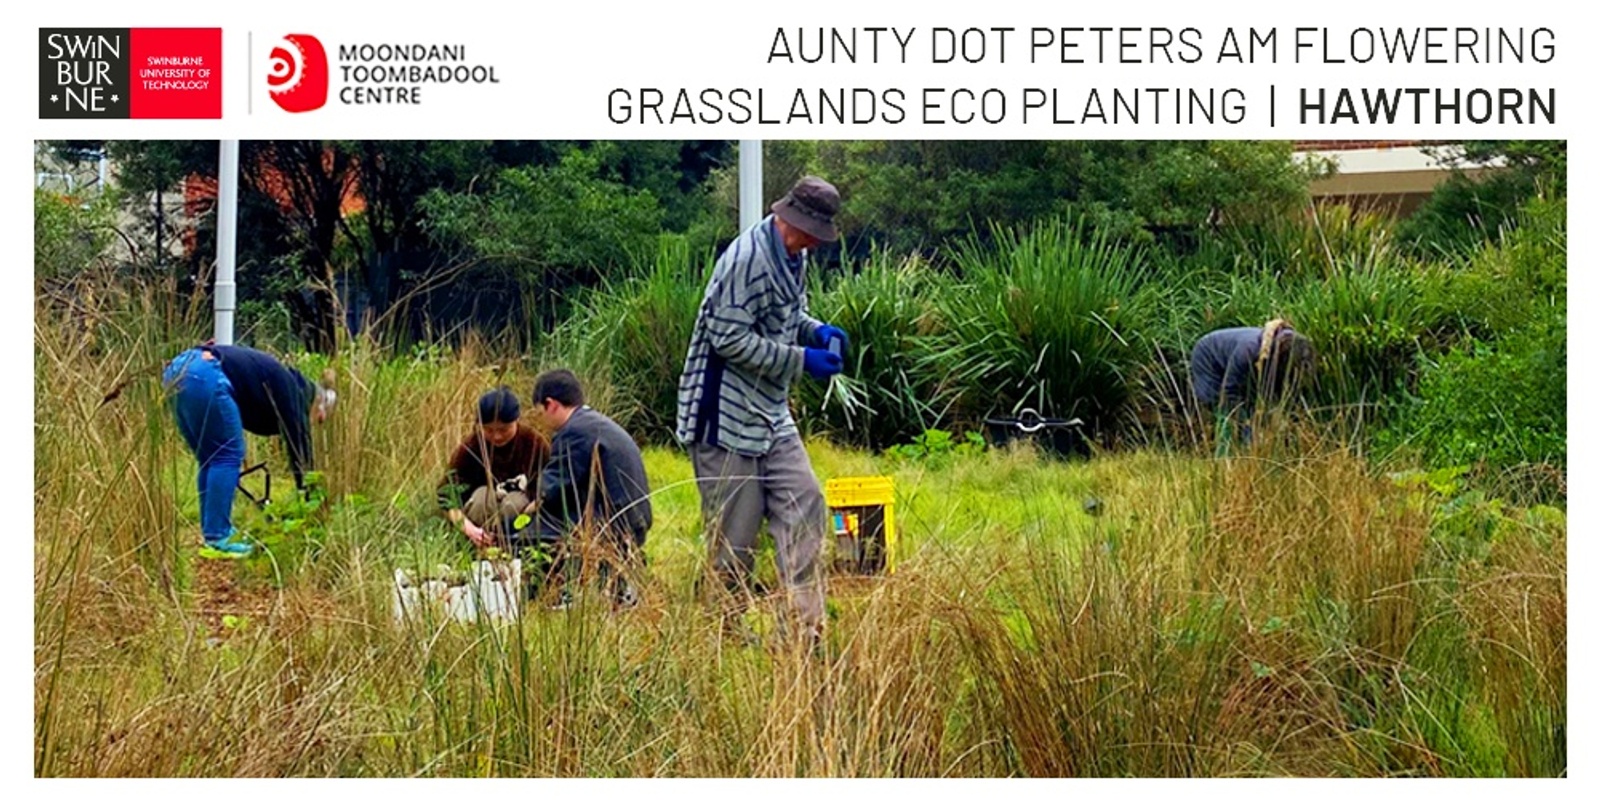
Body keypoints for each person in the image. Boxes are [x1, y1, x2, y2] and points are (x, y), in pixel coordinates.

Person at [673, 175, 849, 650]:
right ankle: (722, 639)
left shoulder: (798, 254)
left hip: (770, 411)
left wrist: (815, 332)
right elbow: (727, 339)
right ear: (789, 218)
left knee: (806, 499)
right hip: (723, 416)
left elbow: (792, 314)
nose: (814, 239)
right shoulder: (745, 259)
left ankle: (805, 632)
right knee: (736, 537)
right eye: (810, 229)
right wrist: (800, 360)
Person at [161, 343, 336, 558]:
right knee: (226, 456)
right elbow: (300, 449)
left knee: (210, 458)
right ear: (317, 404)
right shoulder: (293, 392)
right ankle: (219, 535)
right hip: (206, 373)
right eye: (320, 418)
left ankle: (213, 533)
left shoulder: (280, 379)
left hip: (178, 369)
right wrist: (311, 498)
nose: (318, 422)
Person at [520, 369, 653, 609]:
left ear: (550, 404)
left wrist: (520, 512)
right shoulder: (594, 423)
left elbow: (551, 488)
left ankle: (545, 594)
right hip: (634, 520)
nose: (542, 421)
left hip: (613, 527)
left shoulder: (574, 432)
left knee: (535, 529)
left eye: (540, 412)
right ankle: (616, 586)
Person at [438, 386, 551, 548]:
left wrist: (521, 519)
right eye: (489, 430)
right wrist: (468, 529)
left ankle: (509, 547)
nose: (497, 436)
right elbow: (446, 496)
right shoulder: (471, 447)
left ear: (516, 421)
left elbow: (548, 492)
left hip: (520, 519)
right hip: (478, 517)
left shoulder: (534, 444)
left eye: (504, 430)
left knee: (514, 502)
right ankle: (477, 548)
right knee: (482, 497)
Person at [1189, 318, 1316, 449]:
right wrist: (1246, 426)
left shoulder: (1298, 347)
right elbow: (1229, 392)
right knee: (1225, 412)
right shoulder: (1248, 352)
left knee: (1254, 410)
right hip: (1208, 357)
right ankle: (1227, 456)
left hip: (1239, 360)